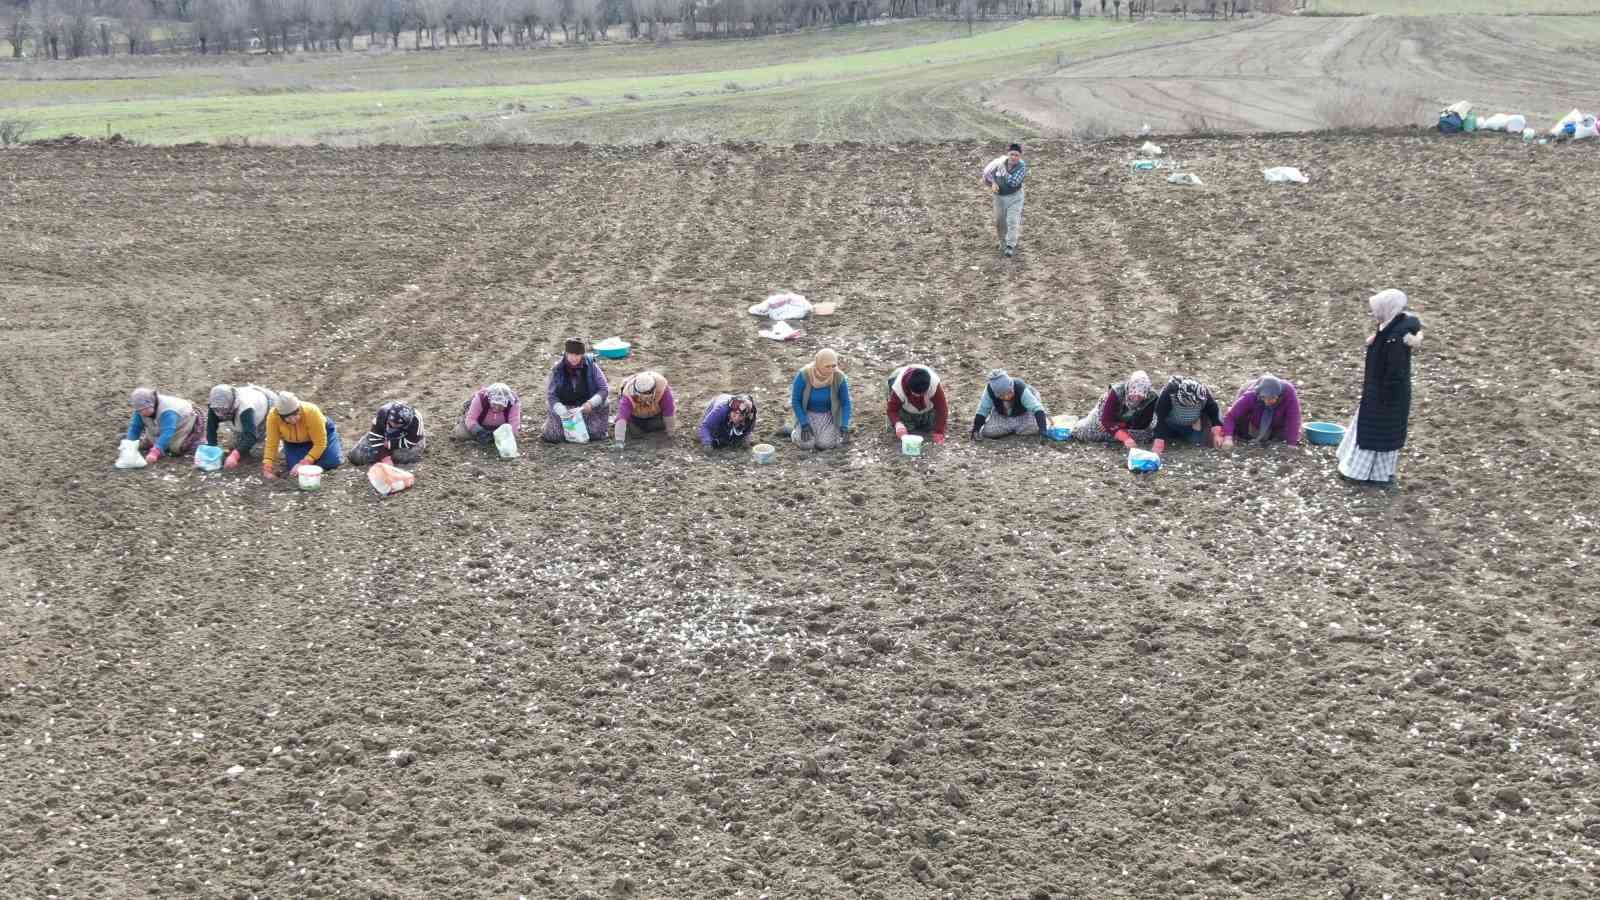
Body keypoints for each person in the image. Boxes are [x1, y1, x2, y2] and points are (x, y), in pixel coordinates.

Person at [1338, 288, 1424, 484]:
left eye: (1377, 308)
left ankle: (1361, 473)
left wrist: (1383, 396)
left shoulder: (1396, 338)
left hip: (1386, 395)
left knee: (1376, 432)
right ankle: (1375, 474)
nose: (1374, 312)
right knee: (1375, 430)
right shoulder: (1390, 326)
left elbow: (1395, 372)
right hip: (1378, 389)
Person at [541, 338, 610, 444]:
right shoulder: (558, 369)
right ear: (566, 354)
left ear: (582, 354)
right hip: (566, 409)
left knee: (594, 434)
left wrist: (591, 403)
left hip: (586, 409)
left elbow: (603, 389)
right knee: (554, 436)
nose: (573, 358)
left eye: (577, 355)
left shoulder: (591, 366)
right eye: (570, 354)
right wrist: (562, 410)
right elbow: (551, 395)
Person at [262, 391, 343, 480]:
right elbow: (272, 443)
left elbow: (320, 443)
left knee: (332, 462)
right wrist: (267, 467)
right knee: (295, 469)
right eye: (287, 418)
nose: (293, 420)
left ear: (299, 409)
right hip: (294, 442)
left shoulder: (311, 411)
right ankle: (308, 454)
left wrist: (304, 462)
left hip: (321, 436)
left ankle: (334, 441)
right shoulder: (273, 417)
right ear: (280, 416)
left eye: (295, 414)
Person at [1071, 370, 1156, 447]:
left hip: (1127, 423)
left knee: (1147, 436)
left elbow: (1143, 423)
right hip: (1105, 416)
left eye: (1140, 396)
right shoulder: (1116, 392)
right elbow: (1106, 421)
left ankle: (1115, 433)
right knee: (1087, 433)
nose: (1136, 398)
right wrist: (1125, 438)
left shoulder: (1151, 398)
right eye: (1133, 394)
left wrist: (1120, 425)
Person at [790, 348, 853, 451]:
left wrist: (844, 425)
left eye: (834, 366)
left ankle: (819, 435)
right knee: (807, 445)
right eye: (827, 366)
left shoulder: (839, 377)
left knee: (825, 444)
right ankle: (794, 433)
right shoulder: (804, 375)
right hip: (807, 414)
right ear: (818, 364)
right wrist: (804, 423)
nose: (831, 370)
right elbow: (795, 401)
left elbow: (846, 403)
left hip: (828, 415)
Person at [205, 383, 278, 469]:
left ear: (232, 403)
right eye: (217, 410)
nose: (220, 413)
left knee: (257, 436)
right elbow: (211, 427)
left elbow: (251, 436)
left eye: (223, 409)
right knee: (240, 439)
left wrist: (235, 455)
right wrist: (211, 449)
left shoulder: (245, 408)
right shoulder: (215, 406)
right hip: (249, 398)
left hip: (268, 404)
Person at [125, 387, 203, 464]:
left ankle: (198, 442)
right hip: (161, 423)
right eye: (140, 411)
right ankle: (155, 442)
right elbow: (135, 428)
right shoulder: (140, 410)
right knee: (149, 441)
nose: (143, 413)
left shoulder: (167, 410)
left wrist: (155, 452)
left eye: (145, 409)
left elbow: (168, 432)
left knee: (176, 448)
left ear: (152, 403)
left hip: (183, 421)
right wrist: (130, 446)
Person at [1221, 374, 1302, 448]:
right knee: (1244, 432)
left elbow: (1293, 418)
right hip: (1253, 421)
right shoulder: (1251, 396)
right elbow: (1231, 416)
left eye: (1272, 398)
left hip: (1277, 423)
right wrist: (1228, 438)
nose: (1267, 402)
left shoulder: (1288, 393)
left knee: (1283, 436)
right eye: (1264, 398)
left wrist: (1292, 443)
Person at [971, 369, 1049, 441]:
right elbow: (983, 410)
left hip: (1023, 415)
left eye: (1009, 393)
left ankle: (1014, 429)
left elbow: (1036, 408)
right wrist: (976, 429)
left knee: (1037, 427)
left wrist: (1043, 430)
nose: (1007, 397)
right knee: (987, 432)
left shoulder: (1019, 387)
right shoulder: (990, 390)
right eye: (1002, 396)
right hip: (1003, 417)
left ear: (1012, 387)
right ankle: (1015, 429)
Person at [1152, 376, 1222, 455]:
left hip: (1194, 425)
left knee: (1197, 442)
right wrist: (1159, 440)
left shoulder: (1203, 394)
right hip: (1171, 423)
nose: (1191, 407)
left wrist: (1217, 434)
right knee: (1169, 437)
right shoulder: (1169, 393)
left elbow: (1214, 412)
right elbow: (1160, 416)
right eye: (1188, 406)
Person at [981, 142, 1028, 257]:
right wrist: (992, 183)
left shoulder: (1022, 167)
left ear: (1020, 156)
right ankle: (1002, 242)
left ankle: (1010, 245)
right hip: (999, 197)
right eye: (1012, 154)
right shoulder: (998, 163)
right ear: (1008, 154)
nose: (1013, 157)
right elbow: (986, 175)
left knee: (1012, 220)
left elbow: (1013, 183)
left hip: (1015, 197)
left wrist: (1003, 172)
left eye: (1016, 155)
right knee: (1000, 222)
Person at [886, 364, 948, 444]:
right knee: (904, 429)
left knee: (930, 426)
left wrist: (939, 431)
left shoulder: (934, 384)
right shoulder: (898, 387)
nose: (918, 396)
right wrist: (897, 424)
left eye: (922, 394)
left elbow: (942, 408)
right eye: (915, 394)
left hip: (927, 409)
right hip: (905, 408)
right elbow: (892, 410)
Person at [614, 371, 676, 449]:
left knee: (657, 425)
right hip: (636, 418)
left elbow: (669, 411)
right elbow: (622, 417)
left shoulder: (662, 388)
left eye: (646, 397)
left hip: (656, 415)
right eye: (639, 397)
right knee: (634, 432)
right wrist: (619, 441)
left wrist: (671, 434)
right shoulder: (628, 395)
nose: (643, 399)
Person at [349, 401, 426, 465]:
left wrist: (390, 444)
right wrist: (384, 456)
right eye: (390, 423)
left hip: (406, 439)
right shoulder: (383, 413)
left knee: (402, 457)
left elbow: (411, 441)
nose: (392, 427)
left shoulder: (416, 420)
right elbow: (375, 435)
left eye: (397, 425)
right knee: (356, 456)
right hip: (383, 436)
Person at [454, 382, 521, 445]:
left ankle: (491, 439)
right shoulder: (480, 399)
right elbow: (471, 419)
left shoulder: (513, 403)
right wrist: (479, 431)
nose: (496, 408)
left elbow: (514, 424)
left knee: (513, 436)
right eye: (494, 404)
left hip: (500, 429)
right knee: (461, 433)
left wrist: (506, 435)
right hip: (479, 425)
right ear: (490, 399)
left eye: (501, 406)